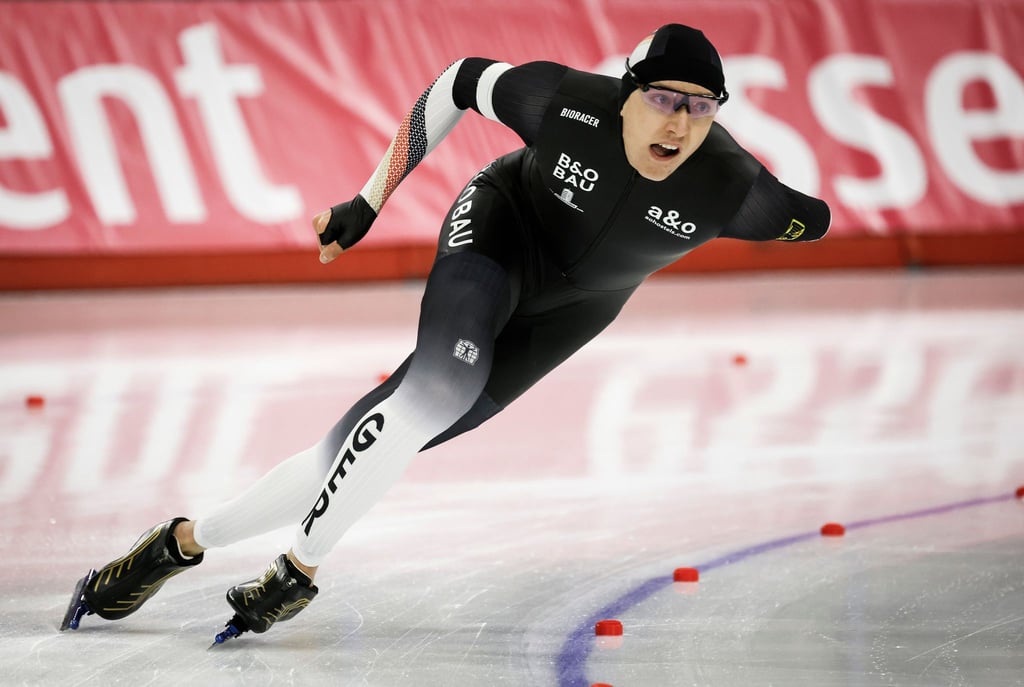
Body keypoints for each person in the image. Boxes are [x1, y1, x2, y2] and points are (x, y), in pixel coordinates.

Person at [61, 23, 830, 641]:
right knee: (432, 394)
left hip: (575, 311)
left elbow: (813, 218)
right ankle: (297, 571)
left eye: (702, 106)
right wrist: (367, 202)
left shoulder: (739, 191)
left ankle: (178, 544)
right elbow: (457, 81)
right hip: (500, 230)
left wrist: (810, 216)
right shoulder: (566, 103)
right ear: (626, 94)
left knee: (378, 436)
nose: (681, 122)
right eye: (665, 98)